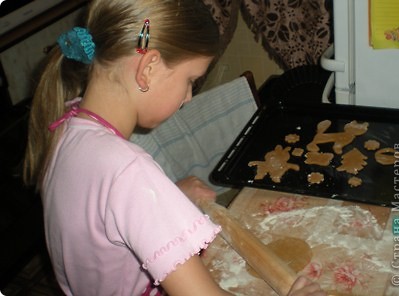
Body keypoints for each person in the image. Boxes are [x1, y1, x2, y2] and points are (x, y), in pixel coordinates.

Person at [23, 0, 327, 295]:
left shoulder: (64, 125)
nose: (189, 97)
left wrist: (169, 196)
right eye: (190, 80)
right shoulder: (130, 171)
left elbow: (104, 213)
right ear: (148, 68)